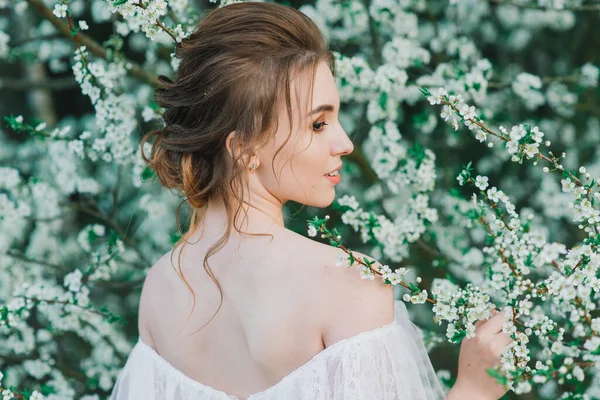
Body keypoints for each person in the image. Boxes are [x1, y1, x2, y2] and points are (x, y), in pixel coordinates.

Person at [109, 2, 513, 399]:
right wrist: (474, 390)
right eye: (318, 124)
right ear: (245, 148)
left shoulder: (160, 288)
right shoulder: (347, 283)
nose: (346, 143)